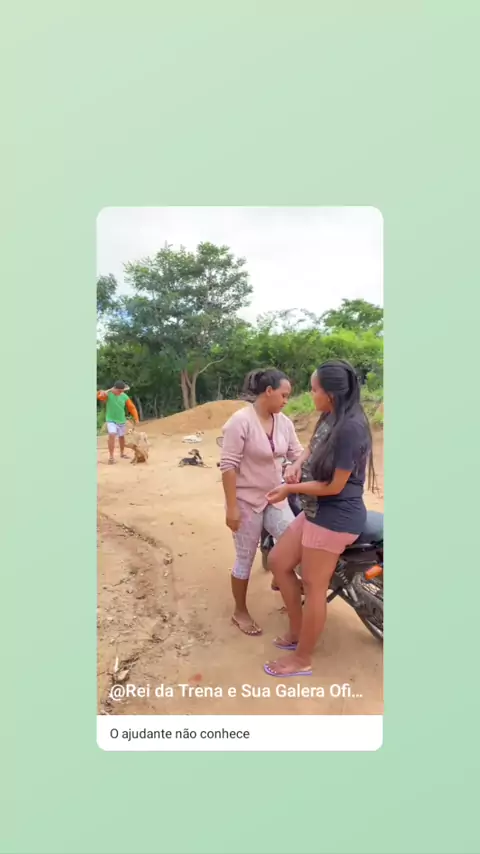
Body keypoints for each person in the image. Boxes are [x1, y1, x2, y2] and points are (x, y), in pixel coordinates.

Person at [263, 359, 376, 676]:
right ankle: (298, 631)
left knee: (314, 587)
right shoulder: (331, 417)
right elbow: (312, 447)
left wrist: (290, 488)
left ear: (331, 394)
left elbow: (335, 486)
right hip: (316, 510)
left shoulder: (350, 429)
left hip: (334, 517)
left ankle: (302, 658)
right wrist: (298, 462)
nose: (311, 395)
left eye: (314, 390)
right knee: (279, 562)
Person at [220, 368, 304, 636]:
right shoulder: (239, 422)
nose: (286, 401)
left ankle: (281, 579)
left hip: (275, 497)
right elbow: (228, 467)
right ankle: (240, 611)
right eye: (284, 395)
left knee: (294, 541)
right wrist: (232, 508)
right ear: (268, 391)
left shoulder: (284, 422)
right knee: (244, 558)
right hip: (246, 500)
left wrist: (300, 466)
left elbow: (297, 453)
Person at [97, 381, 139, 464]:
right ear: (115, 389)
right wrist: (100, 392)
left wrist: (136, 418)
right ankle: (111, 457)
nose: (121, 392)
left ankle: (122, 453)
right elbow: (99, 396)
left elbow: (132, 407)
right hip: (111, 420)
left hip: (121, 420)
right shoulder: (108, 395)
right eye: (119, 391)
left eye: (122, 391)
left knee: (121, 437)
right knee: (112, 434)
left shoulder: (124, 396)